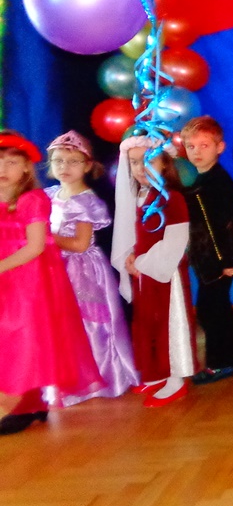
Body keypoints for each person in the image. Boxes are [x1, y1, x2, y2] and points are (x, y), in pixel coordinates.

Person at [0, 131, 101, 435]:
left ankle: (14, 403)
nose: (3, 169)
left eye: (11, 162)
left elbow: (35, 247)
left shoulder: (32, 199)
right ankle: (30, 403)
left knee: (23, 338)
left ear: (26, 168)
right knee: (8, 342)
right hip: (6, 280)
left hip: (27, 281)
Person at [45, 130, 138, 404]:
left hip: (82, 271)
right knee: (61, 323)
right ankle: (68, 379)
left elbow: (80, 244)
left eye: (73, 161)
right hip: (56, 268)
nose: (64, 167)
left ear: (87, 166)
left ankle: (101, 377)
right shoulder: (50, 195)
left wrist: (44, 237)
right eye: (59, 161)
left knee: (90, 322)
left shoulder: (85, 201)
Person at [112, 133, 197, 407]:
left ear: (164, 164)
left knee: (168, 322)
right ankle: (156, 371)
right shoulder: (139, 196)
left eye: (148, 161)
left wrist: (141, 263)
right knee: (148, 321)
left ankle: (176, 376)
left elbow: (175, 242)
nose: (141, 168)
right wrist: (130, 258)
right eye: (135, 162)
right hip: (143, 274)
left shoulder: (172, 198)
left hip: (165, 274)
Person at [180, 116, 233, 385]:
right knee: (219, 308)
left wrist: (229, 260)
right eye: (191, 146)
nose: (196, 152)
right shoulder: (196, 179)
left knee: (210, 311)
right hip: (204, 258)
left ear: (219, 147)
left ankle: (219, 362)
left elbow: (230, 224)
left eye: (204, 145)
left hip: (219, 259)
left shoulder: (218, 182)